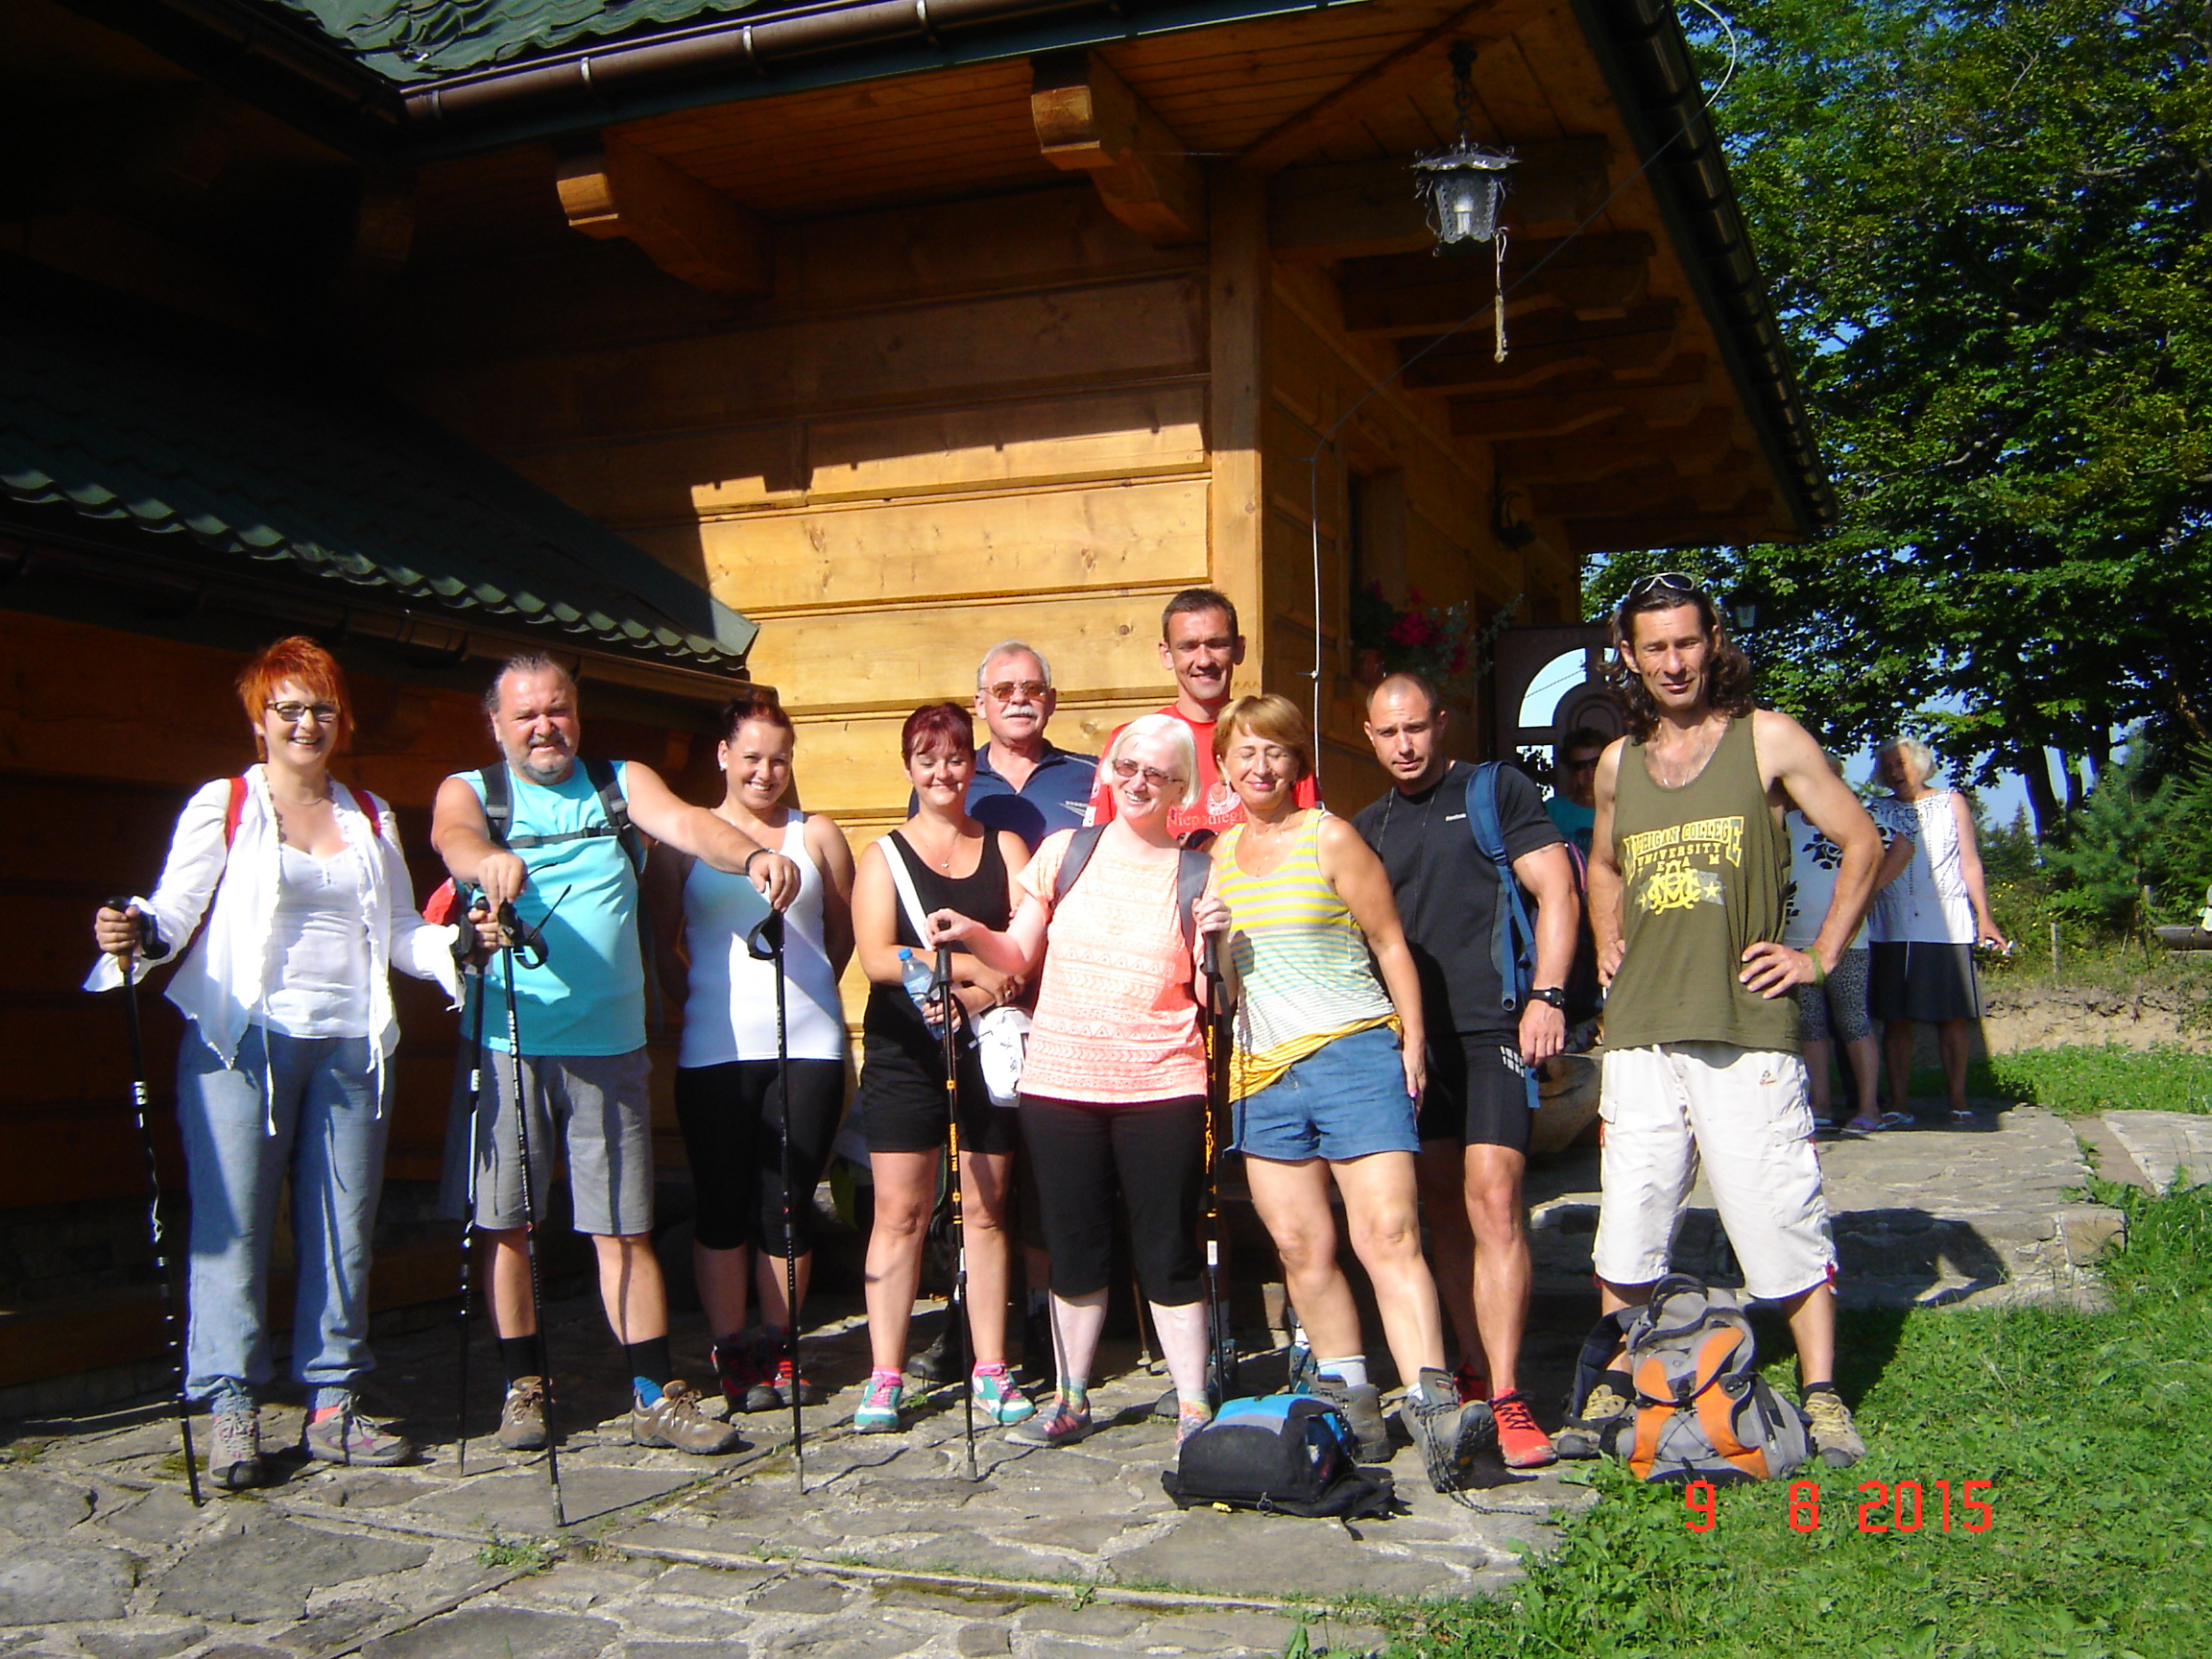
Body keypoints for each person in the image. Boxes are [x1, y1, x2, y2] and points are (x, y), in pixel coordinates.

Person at [87, 637, 461, 1488]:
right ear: (259, 720)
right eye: (288, 708)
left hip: (353, 1042)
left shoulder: (370, 814)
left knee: (345, 1224)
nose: (305, 723)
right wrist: (134, 930)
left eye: (321, 708)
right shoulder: (225, 804)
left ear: (341, 720)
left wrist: (457, 949)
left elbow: (400, 930)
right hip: (240, 1040)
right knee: (236, 1225)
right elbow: (173, 912)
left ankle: (335, 1403)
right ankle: (231, 1408)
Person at [433, 653, 801, 1457]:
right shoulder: (473, 789)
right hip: (508, 1039)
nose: (545, 727)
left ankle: (652, 1393)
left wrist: (750, 856)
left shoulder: (619, 782)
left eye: (558, 710)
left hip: (611, 1046)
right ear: (496, 723)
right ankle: (523, 1388)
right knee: (508, 1223)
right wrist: (485, 859)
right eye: (527, 715)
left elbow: (688, 824)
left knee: (623, 1227)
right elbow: (452, 835)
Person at [1575, 573, 1883, 1470]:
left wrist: (1818, 957)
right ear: (1629, 656)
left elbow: (1864, 841)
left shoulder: (1768, 739)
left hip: (1743, 1023)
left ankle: (1822, 1395)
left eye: (1687, 642)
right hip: (1640, 1030)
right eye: (1655, 648)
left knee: (1778, 1215)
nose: (1674, 663)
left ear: (1713, 641)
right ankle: (1617, 1379)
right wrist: (1605, 938)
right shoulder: (1618, 763)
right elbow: (1602, 863)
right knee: (1629, 1220)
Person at [1212, 694, 1498, 1487]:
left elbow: (1389, 942)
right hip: (1261, 1075)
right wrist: (1211, 946)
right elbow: (1227, 989)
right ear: (1224, 766)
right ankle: (1352, 1402)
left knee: (1389, 1233)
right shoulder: (1215, 858)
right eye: (1245, 753)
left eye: (1275, 751)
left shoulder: (1329, 836)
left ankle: (1435, 1406)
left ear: (1294, 762)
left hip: (1353, 1055)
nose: (1260, 766)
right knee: (1301, 1247)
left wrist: (1412, 1043)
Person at [928, 714, 1229, 1450]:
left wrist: (1218, 942)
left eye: (1156, 773)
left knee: (1167, 1247)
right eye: (1126, 766)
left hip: (1161, 1085)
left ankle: (1193, 1407)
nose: (1138, 782)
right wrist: (972, 933)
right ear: (1107, 771)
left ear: (1181, 789)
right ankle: (1071, 1399)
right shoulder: (1064, 853)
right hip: (1060, 1083)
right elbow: (1017, 955)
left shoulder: (1198, 872)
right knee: (1073, 1244)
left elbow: (1213, 998)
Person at [1355, 674, 1579, 1470]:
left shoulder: (1494, 790)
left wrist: (1547, 995)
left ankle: (1510, 1393)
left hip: (1494, 1029)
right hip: (1413, 1044)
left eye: (1416, 728)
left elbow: (1558, 890)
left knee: (1495, 1200)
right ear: (1369, 736)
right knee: (1444, 1212)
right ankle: (1474, 1370)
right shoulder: (1368, 825)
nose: (1405, 746)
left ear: (1441, 722)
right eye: (1389, 733)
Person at [647, 690, 855, 1414]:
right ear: (723, 756)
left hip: (809, 1047)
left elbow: (840, 931)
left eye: (780, 760)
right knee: (722, 1202)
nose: (766, 773)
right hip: (715, 1048)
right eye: (752, 758)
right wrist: (699, 1001)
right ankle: (730, 1347)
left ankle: (781, 1342)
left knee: (787, 1204)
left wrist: (811, 992)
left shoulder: (816, 834)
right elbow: (660, 942)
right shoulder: (683, 840)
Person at [903, 641, 1095, 1382]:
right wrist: (974, 987)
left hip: (1068, 1001)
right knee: (975, 1179)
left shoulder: (1086, 777)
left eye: (1033, 687)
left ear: (1051, 698)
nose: (1020, 699)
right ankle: (967, 1322)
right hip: (975, 1006)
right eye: (1004, 688)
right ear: (981, 701)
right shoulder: (952, 769)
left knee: (1046, 1175)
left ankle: (1047, 1322)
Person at [848, 703, 1032, 1432]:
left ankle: (990, 1367)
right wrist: (962, 971)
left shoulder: (1006, 848)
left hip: (987, 1050)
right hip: (905, 1055)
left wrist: (979, 992)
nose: (942, 772)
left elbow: (1021, 956)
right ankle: (885, 1374)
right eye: (927, 759)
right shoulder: (882, 856)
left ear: (971, 765)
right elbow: (876, 957)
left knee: (986, 1211)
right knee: (900, 1214)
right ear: (909, 768)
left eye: (955, 757)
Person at [1085, 589, 1317, 841]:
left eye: (1217, 644)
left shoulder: (1274, 739)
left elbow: (1309, 841)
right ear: (1166, 654)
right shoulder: (1132, 741)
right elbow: (1096, 842)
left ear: (1239, 649)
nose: (1204, 660)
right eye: (1189, 647)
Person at [1866, 737, 2009, 1124]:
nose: (1895, 773)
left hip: (1946, 921)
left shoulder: (1951, 802)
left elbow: (1969, 862)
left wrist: (1984, 916)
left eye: (1901, 764)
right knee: (1895, 1018)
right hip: (1890, 924)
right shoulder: (1876, 810)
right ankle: (1898, 1104)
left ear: (1919, 765)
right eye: (1888, 767)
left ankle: (1958, 1101)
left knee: (1952, 1016)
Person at [1785, 755, 1916, 1135]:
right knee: (1810, 1025)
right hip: (1794, 941)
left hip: (1846, 940)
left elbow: (1902, 846)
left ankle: (1869, 1108)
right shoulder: (1787, 822)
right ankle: (1820, 1104)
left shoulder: (1854, 819)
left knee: (1852, 1020)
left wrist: (1868, 890)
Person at [1545, 726, 1607, 857]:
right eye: (1580, 765)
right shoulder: (1552, 809)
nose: (1589, 771)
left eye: (1595, 762)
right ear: (1570, 769)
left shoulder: (1623, 807)